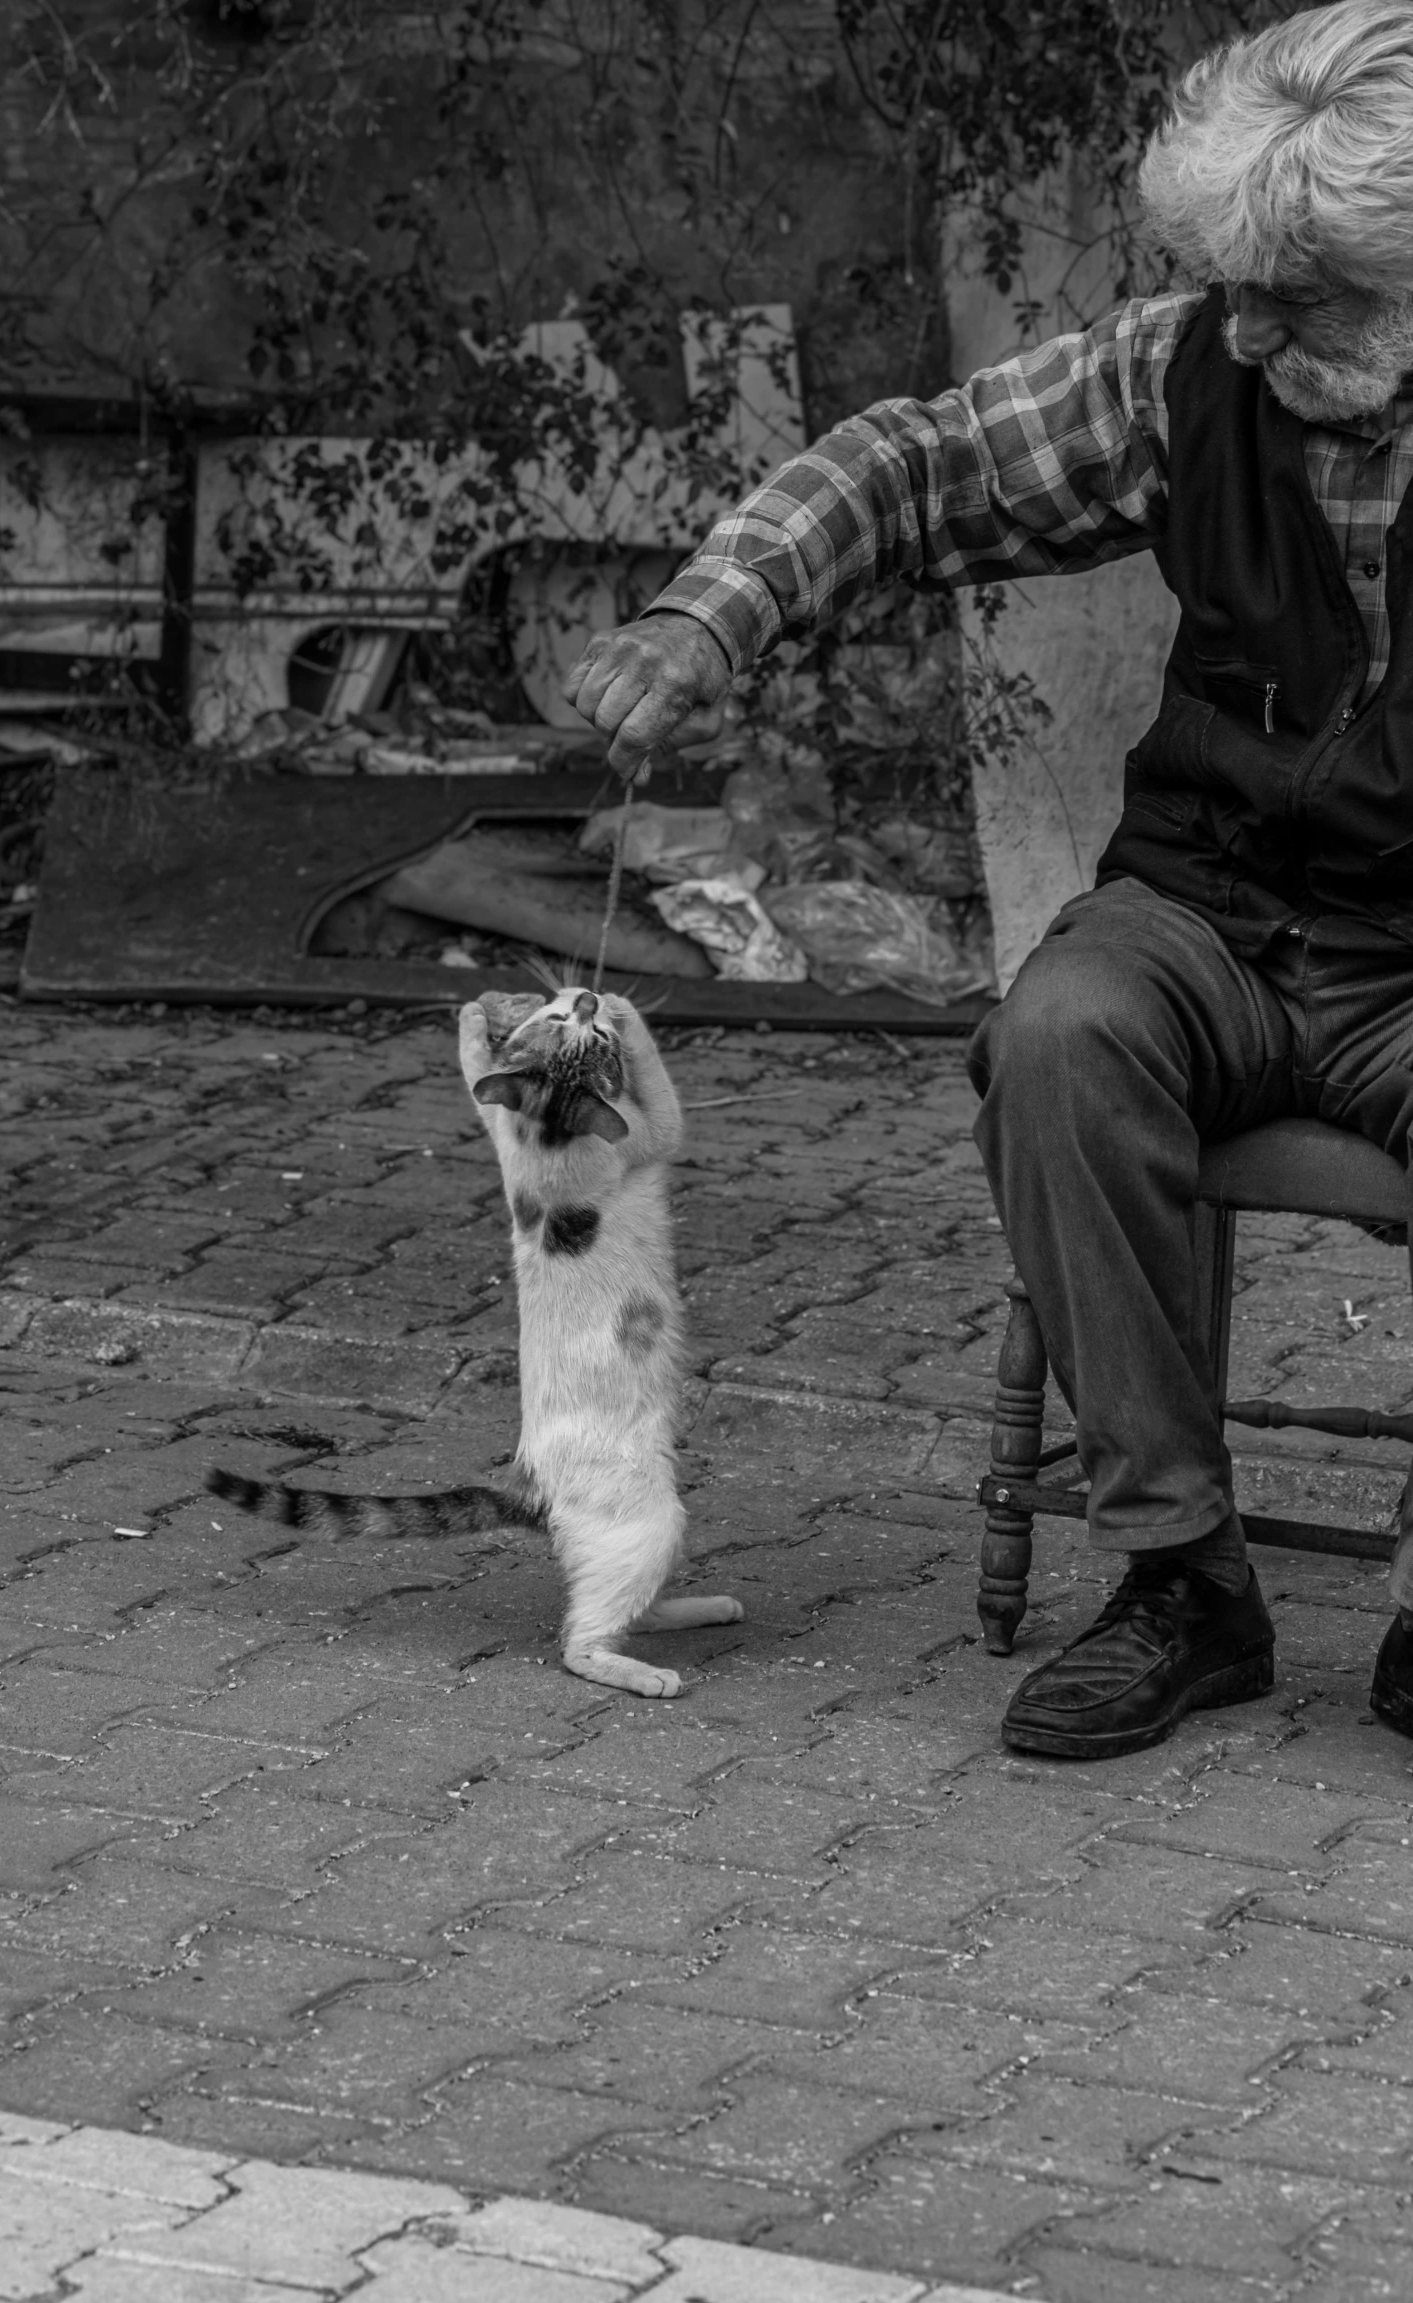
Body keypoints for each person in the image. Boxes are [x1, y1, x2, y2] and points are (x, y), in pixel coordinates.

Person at [562, 0, 1413, 1759]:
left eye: (1295, 298)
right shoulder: (1191, 369)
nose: (1242, 333)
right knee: (1057, 1036)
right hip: (1214, 914)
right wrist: (708, 609)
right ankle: (1183, 1579)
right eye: (1230, 287)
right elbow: (918, 460)